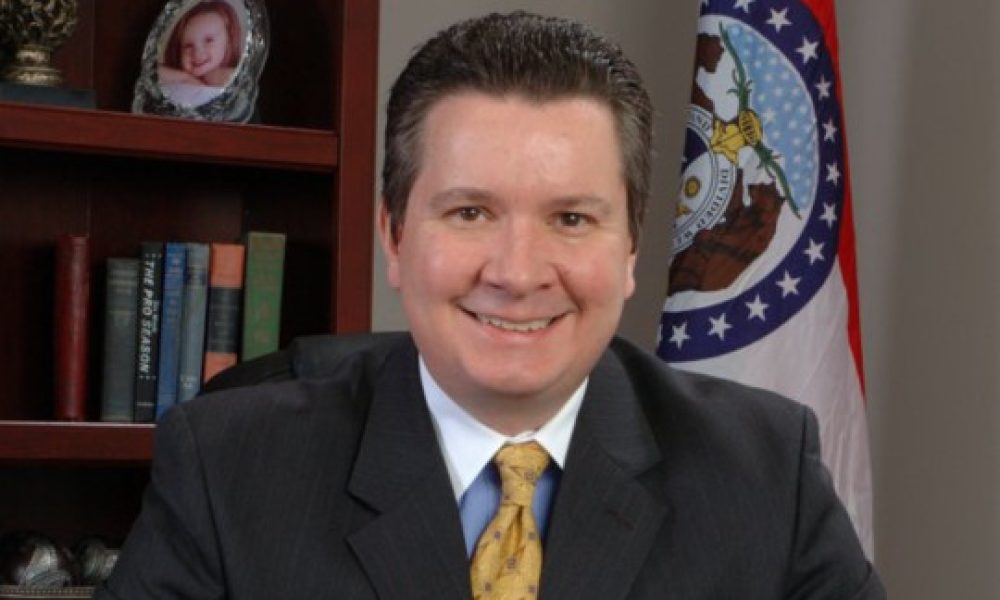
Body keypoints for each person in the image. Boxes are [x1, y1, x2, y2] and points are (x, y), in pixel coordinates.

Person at [97, 11, 885, 599]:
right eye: (471, 212)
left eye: (570, 219)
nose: (517, 272)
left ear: (629, 250)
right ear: (395, 236)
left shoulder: (763, 473)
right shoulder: (231, 468)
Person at [157, 0, 241, 105]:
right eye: (188, 46)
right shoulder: (178, 76)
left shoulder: (234, 73)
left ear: (228, 41)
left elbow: (234, 81)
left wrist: (209, 75)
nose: (197, 53)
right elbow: (153, 73)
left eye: (209, 40)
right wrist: (185, 78)